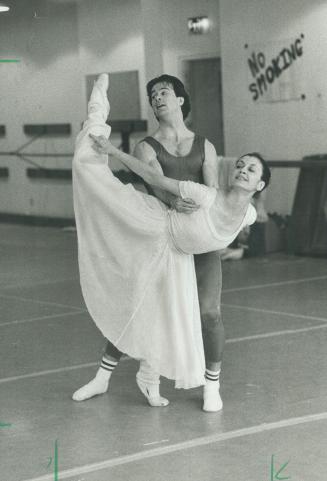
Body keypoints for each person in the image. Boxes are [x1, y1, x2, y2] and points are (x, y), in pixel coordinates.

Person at [72, 74, 271, 411]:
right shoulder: (146, 146)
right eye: (152, 95)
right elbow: (154, 182)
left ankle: (212, 386)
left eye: (163, 92)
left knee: (210, 313)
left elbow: (214, 195)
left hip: (199, 239)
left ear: (180, 99)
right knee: (138, 306)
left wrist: (220, 229)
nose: (157, 98)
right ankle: (103, 377)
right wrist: (174, 201)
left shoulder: (205, 145)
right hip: (163, 232)